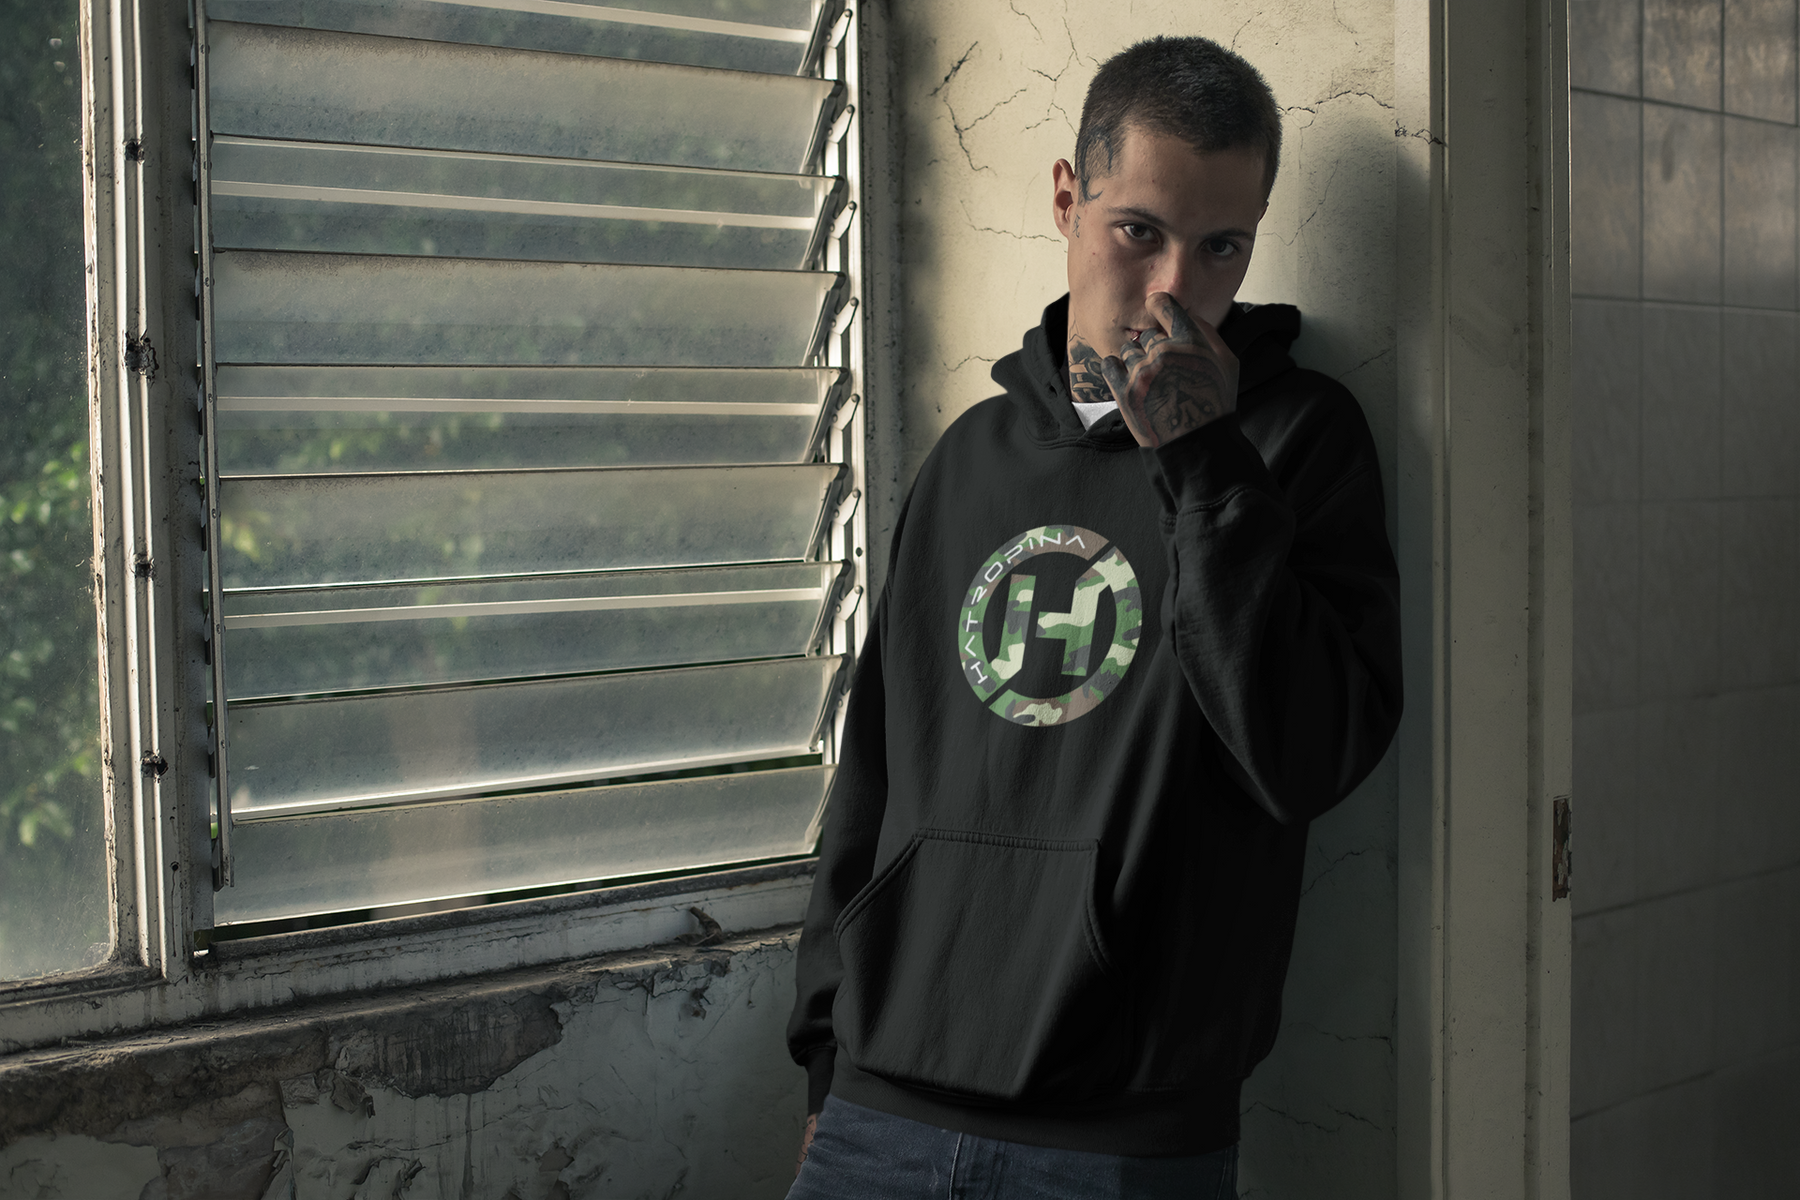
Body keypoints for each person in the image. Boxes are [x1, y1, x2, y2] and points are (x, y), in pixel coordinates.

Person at [785, 35, 1402, 1199]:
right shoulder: (971, 456)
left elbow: (1304, 756)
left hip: (1128, 1141)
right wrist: (823, 1058)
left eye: (1221, 247)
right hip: (878, 1111)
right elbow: (872, 771)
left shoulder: (1296, 443)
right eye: (1140, 231)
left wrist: (1206, 461)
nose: (1175, 288)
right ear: (1068, 199)